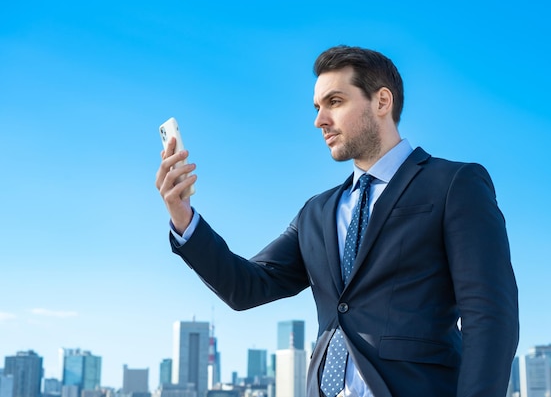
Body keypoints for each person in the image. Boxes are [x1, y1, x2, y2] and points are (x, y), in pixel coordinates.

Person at [156, 45, 519, 397]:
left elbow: (489, 316)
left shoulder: (454, 184)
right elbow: (246, 287)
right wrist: (184, 217)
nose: (319, 121)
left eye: (335, 102)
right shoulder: (316, 211)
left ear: (381, 101)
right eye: (317, 107)